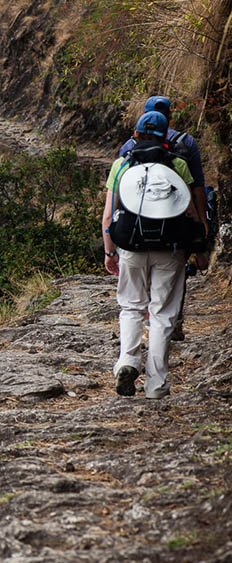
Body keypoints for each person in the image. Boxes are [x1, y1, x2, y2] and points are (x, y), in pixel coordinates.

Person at [102, 111, 205, 399]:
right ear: (166, 136)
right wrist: (197, 247)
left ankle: (127, 362)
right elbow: (190, 210)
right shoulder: (178, 164)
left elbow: (109, 215)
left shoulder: (121, 165)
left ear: (134, 135)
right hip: (170, 250)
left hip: (131, 249)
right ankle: (156, 385)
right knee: (162, 316)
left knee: (131, 307)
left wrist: (110, 251)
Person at [118, 96, 209, 340]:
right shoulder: (185, 143)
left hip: (137, 223)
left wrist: (114, 230)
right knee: (175, 269)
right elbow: (197, 187)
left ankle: (145, 329)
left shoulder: (128, 148)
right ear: (170, 116)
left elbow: (120, 190)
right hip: (176, 220)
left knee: (141, 275)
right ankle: (172, 321)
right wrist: (202, 221)